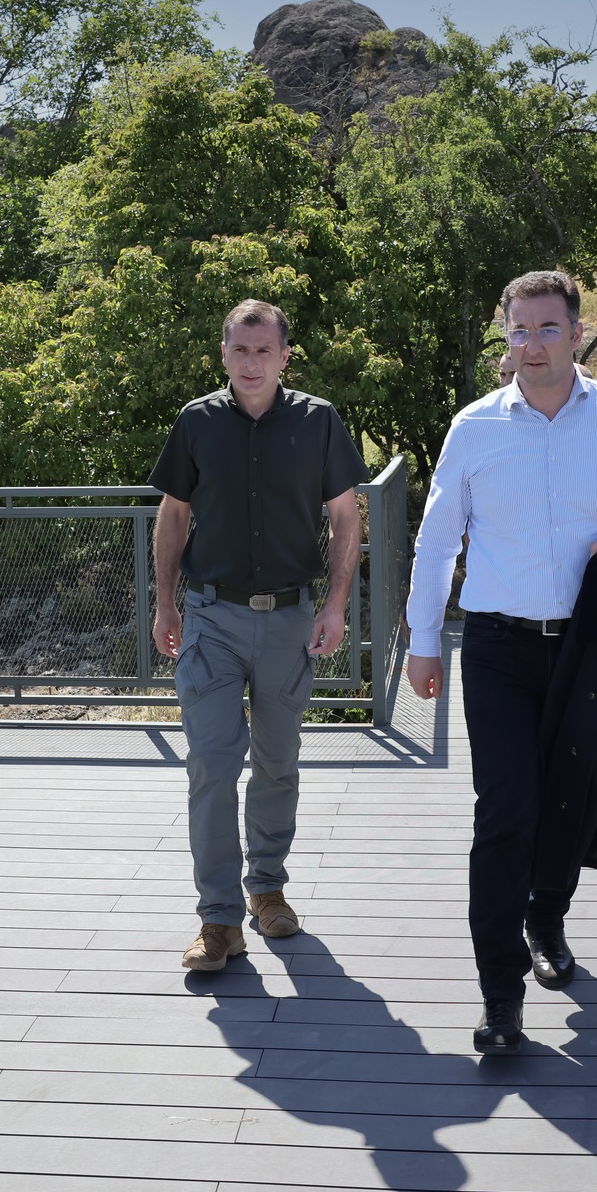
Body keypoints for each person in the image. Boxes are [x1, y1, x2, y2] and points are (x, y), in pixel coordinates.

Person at [403, 270, 597, 1053]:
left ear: (576, 333)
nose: (532, 345)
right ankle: (501, 995)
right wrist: (423, 640)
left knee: (573, 799)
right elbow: (437, 539)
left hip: (588, 644)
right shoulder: (473, 428)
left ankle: (546, 916)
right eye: (519, 331)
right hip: (496, 647)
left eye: (547, 328)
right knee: (506, 812)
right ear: (507, 337)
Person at [149, 299, 367, 972]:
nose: (251, 362)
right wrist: (165, 603)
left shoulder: (318, 421)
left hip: (291, 619)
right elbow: (173, 515)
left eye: (263, 350)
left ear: (284, 356)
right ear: (224, 354)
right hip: (211, 618)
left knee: (277, 761)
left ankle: (266, 888)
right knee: (212, 764)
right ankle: (218, 920)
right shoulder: (196, 421)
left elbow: (346, 517)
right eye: (240, 350)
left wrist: (336, 605)